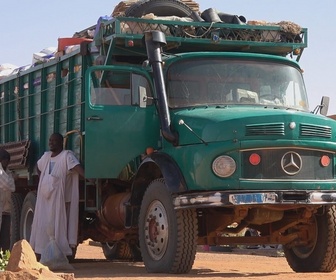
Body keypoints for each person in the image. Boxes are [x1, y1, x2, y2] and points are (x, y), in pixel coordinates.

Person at [30, 132, 85, 258]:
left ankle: (60, 254)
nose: (51, 143)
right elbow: (38, 167)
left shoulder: (66, 156)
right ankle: (42, 252)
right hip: (46, 199)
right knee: (44, 224)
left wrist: (90, 178)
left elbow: (77, 167)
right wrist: (43, 179)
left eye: (54, 141)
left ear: (61, 142)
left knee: (60, 226)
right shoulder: (46, 156)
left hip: (62, 200)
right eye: (50, 140)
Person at [0, 148, 16, 251]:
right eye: (4, 160)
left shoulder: (8, 172)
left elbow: (11, 186)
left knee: (5, 238)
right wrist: (13, 179)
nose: (6, 162)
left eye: (7, 160)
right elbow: (9, 185)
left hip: (5, 210)